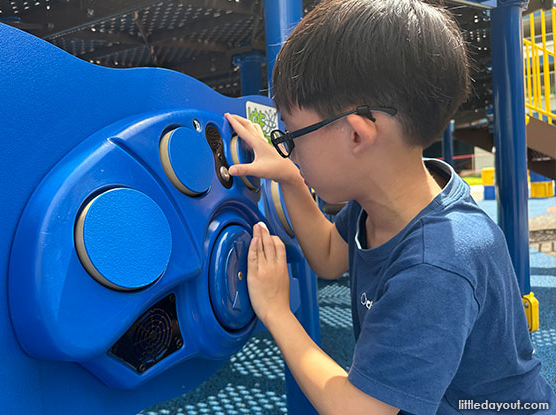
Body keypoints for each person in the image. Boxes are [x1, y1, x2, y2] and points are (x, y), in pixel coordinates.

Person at [223, 0, 556, 414]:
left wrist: (278, 313)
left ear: (357, 135)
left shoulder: (435, 265)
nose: (290, 152)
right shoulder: (384, 200)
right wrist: (290, 179)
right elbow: (329, 257)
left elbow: (359, 409)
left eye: (292, 138)